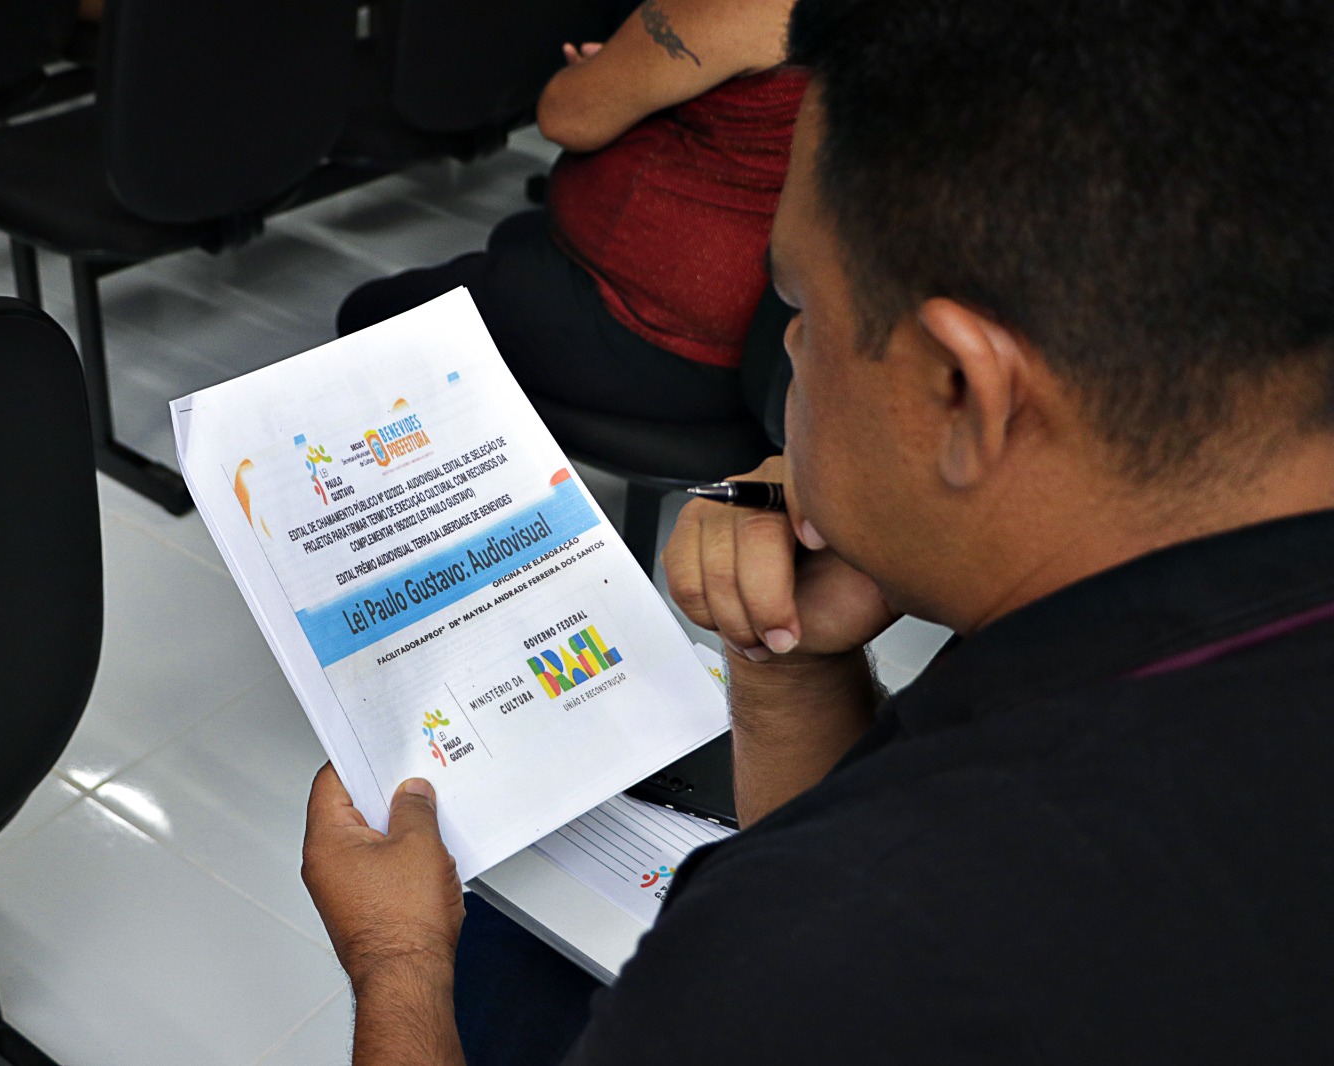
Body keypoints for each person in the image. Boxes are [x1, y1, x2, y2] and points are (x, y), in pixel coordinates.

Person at [302, 0, 1334, 1062]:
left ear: (960, 388)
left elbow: (817, 917)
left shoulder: (846, 934)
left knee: (493, 952)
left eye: (797, 310)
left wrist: (396, 955)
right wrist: (793, 667)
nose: (790, 351)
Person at [337, 0, 807, 422]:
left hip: (654, 328)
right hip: (755, 318)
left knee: (369, 316)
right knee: (513, 235)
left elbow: (565, 115)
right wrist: (637, 68)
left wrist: (601, 73)